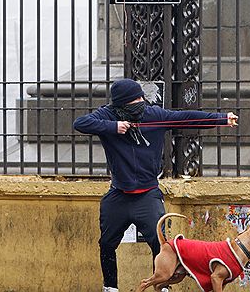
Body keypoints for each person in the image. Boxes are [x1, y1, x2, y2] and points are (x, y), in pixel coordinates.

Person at [73, 78, 238, 292]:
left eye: (141, 98)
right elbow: (80, 123)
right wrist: (113, 127)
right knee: (106, 244)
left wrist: (222, 118)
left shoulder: (154, 115)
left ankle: (162, 287)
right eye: (134, 101)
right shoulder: (108, 115)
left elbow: (186, 118)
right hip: (119, 195)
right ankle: (110, 287)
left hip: (147, 195)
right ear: (121, 105)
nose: (140, 103)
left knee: (160, 245)